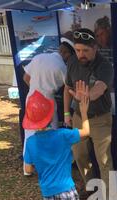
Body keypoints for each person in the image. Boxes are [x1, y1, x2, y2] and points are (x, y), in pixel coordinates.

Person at [23, 82, 90, 200]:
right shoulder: (62, 135)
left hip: (47, 190)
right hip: (66, 188)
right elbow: (86, 132)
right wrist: (83, 111)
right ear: (50, 115)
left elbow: (28, 169)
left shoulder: (30, 143)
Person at [64, 28, 114, 198]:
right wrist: (66, 113)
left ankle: (110, 199)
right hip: (79, 117)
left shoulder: (105, 65)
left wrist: (87, 96)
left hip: (100, 119)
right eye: (78, 50)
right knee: (79, 155)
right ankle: (91, 187)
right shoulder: (71, 62)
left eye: (85, 50)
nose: (81, 54)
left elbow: (99, 88)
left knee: (104, 160)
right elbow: (67, 88)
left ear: (95, 48)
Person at [22, 40, 75, 174]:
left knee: (29, 131)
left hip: (32, 98)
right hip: (48, 101)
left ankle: (27, 167)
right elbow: (68, 88)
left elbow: (25, 78)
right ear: (66, 53)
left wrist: (36, 91)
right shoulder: (62, 67)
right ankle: (49, 164)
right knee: (52, 131)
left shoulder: (39, 57)